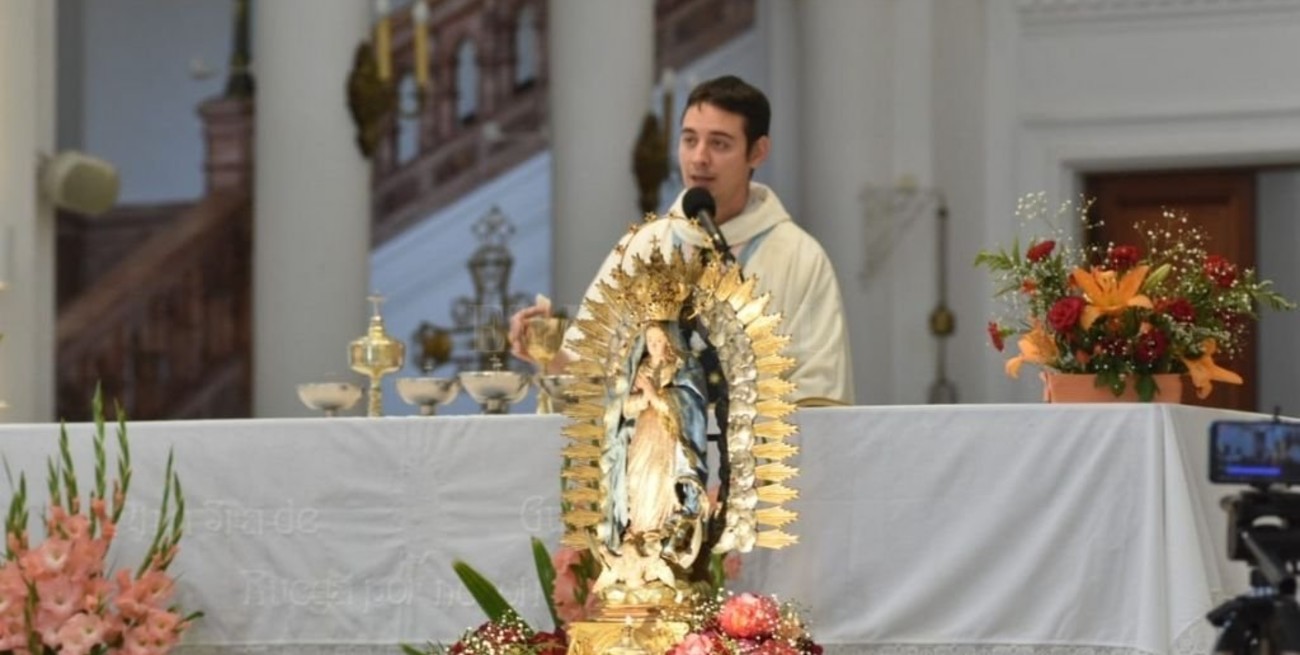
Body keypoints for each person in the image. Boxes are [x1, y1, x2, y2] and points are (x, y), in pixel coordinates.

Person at [510, 75, 855, 406]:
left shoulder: (798, 257)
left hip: (759, 461)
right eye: (689, 140)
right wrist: (549, 352)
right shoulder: (644, 249)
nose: (699, 158)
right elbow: (589, 380)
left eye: (719, 144)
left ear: (757, 152)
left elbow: (818, 393)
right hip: (651, 459)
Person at [600, 322, 709, 576]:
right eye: (650, 341)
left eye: (660, 340)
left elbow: (692, 406)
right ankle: (637, 534)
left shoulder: (683, 367)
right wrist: (642, 399)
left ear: (671, 341)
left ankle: (658, 534)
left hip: (668, 438)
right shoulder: (639, 368)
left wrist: (655, 394)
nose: (655, 346)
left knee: (660, 481)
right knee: (637, 481)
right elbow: (622, 409)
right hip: (642, 434)